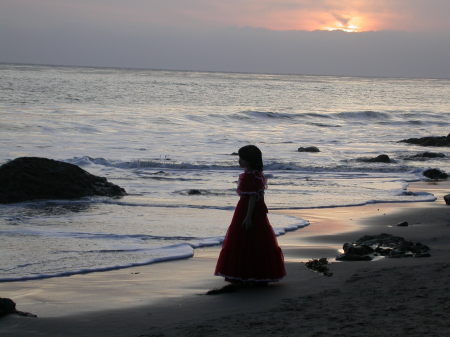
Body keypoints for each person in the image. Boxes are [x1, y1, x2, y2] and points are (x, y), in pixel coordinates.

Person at [214, 145, 286, 285]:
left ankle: (244, 274)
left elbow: (252, 197)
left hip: (247, 209)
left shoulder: (249, 176)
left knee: (244, 238)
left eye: (242, 158)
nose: (239, 161)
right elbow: (259, 195)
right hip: (256, 209)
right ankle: (258, 273)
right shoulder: (257, 174)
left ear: (250, 160)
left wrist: (248, 217)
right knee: (258, 238)